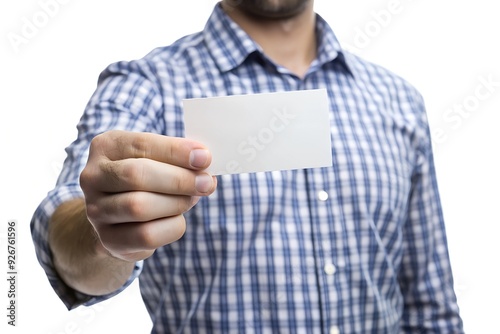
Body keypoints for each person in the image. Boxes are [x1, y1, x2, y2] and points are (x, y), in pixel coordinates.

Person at [31, 0, 464, 332]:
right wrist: (100, 230)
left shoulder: (399, 101)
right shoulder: (147, 87)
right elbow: (71, 221)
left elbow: (430, 303)